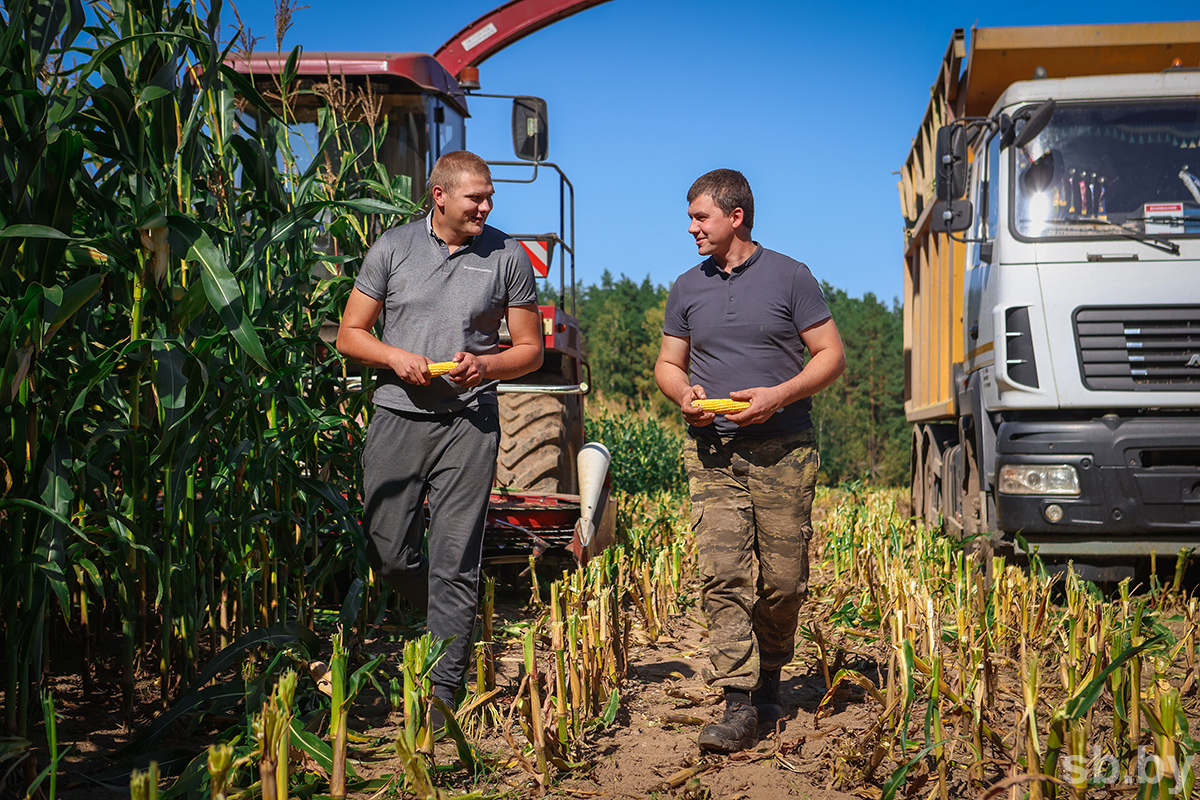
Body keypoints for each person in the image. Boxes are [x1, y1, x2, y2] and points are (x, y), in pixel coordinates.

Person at [337, 150, 543, 722]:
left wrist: (489, 366)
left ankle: (441, 696)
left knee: (455, 559)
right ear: (440, 196)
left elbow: (531, 350)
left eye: (490, 195)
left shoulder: (507, 256)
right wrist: (395, 355)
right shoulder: (392, 248)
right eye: (476, 196)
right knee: (390, 553)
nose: (487, 205)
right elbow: (351, 335)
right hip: (398, 414)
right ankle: (454, 616)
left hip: (469, 421)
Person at [654, 169, 845, 753]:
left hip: (783, 450)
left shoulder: (791, 277)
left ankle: (770, 679)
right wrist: (682, 395)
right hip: (713, 451)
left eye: (700, 217)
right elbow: (668, 364)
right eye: (690, 218)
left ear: (736, 217)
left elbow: (831, 356)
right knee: (723, 574)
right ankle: (739, 700)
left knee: (783, 583)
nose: (691, 228)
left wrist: (777, 396)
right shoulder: (688, 286)